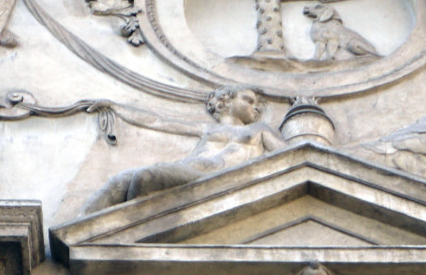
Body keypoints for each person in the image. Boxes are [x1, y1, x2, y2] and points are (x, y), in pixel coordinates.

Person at [81, 88, 284, 214]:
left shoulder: (259, 130)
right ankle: (82, 228)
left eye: (256, 104)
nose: (255, 107)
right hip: (189, 170)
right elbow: (157, 121)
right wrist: (115, 107)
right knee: (119, 181)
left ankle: (131, 223)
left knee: (145, 176)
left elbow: (288, 156)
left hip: (217, 175)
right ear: (227, 100)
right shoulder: (207, 129)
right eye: (248, 100)